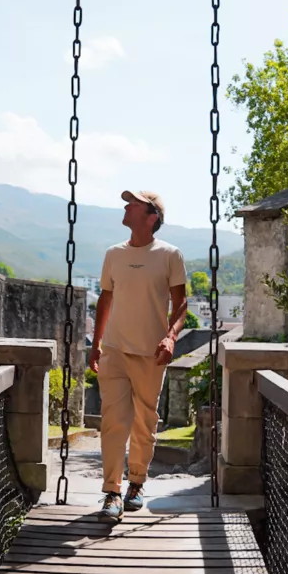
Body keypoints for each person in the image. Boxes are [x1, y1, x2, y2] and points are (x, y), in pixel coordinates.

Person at [88, 190, 188, 523]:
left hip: (151, 354)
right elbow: (105, 300)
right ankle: (112, 492)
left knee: (145, 423)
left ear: (151, 217)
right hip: (114, 351)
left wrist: (171, 337)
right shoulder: (113, 254)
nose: (126, 207)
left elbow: (181, 305)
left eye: (133, 204)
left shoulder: (170, 255)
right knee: (113, 423)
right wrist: (96, 343)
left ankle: (136, 484)